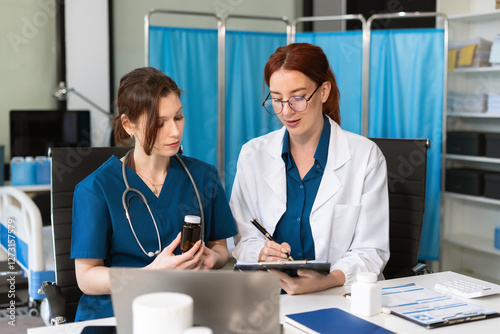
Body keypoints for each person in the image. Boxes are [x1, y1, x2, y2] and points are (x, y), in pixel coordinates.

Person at [71, 67, 237, 321]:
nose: (175, 131)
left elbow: (220, 248)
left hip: (186, 308)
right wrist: (152, 273)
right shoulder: (96, 189)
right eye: (160, 123)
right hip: (118, 314)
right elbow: (87, 278)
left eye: (178, 117)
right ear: (128, 125)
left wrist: (212, 259)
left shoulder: (204, 177)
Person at [230, 43, 389, 295]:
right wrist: (261, 251)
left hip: (339, 293)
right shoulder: (253, 154)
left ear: (323, 91)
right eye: (277, 99)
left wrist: (328, 280)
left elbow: (371, 251)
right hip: (270, 292)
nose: (286, 111)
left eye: (298, 98)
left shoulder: (365, 156)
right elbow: (241, 237)